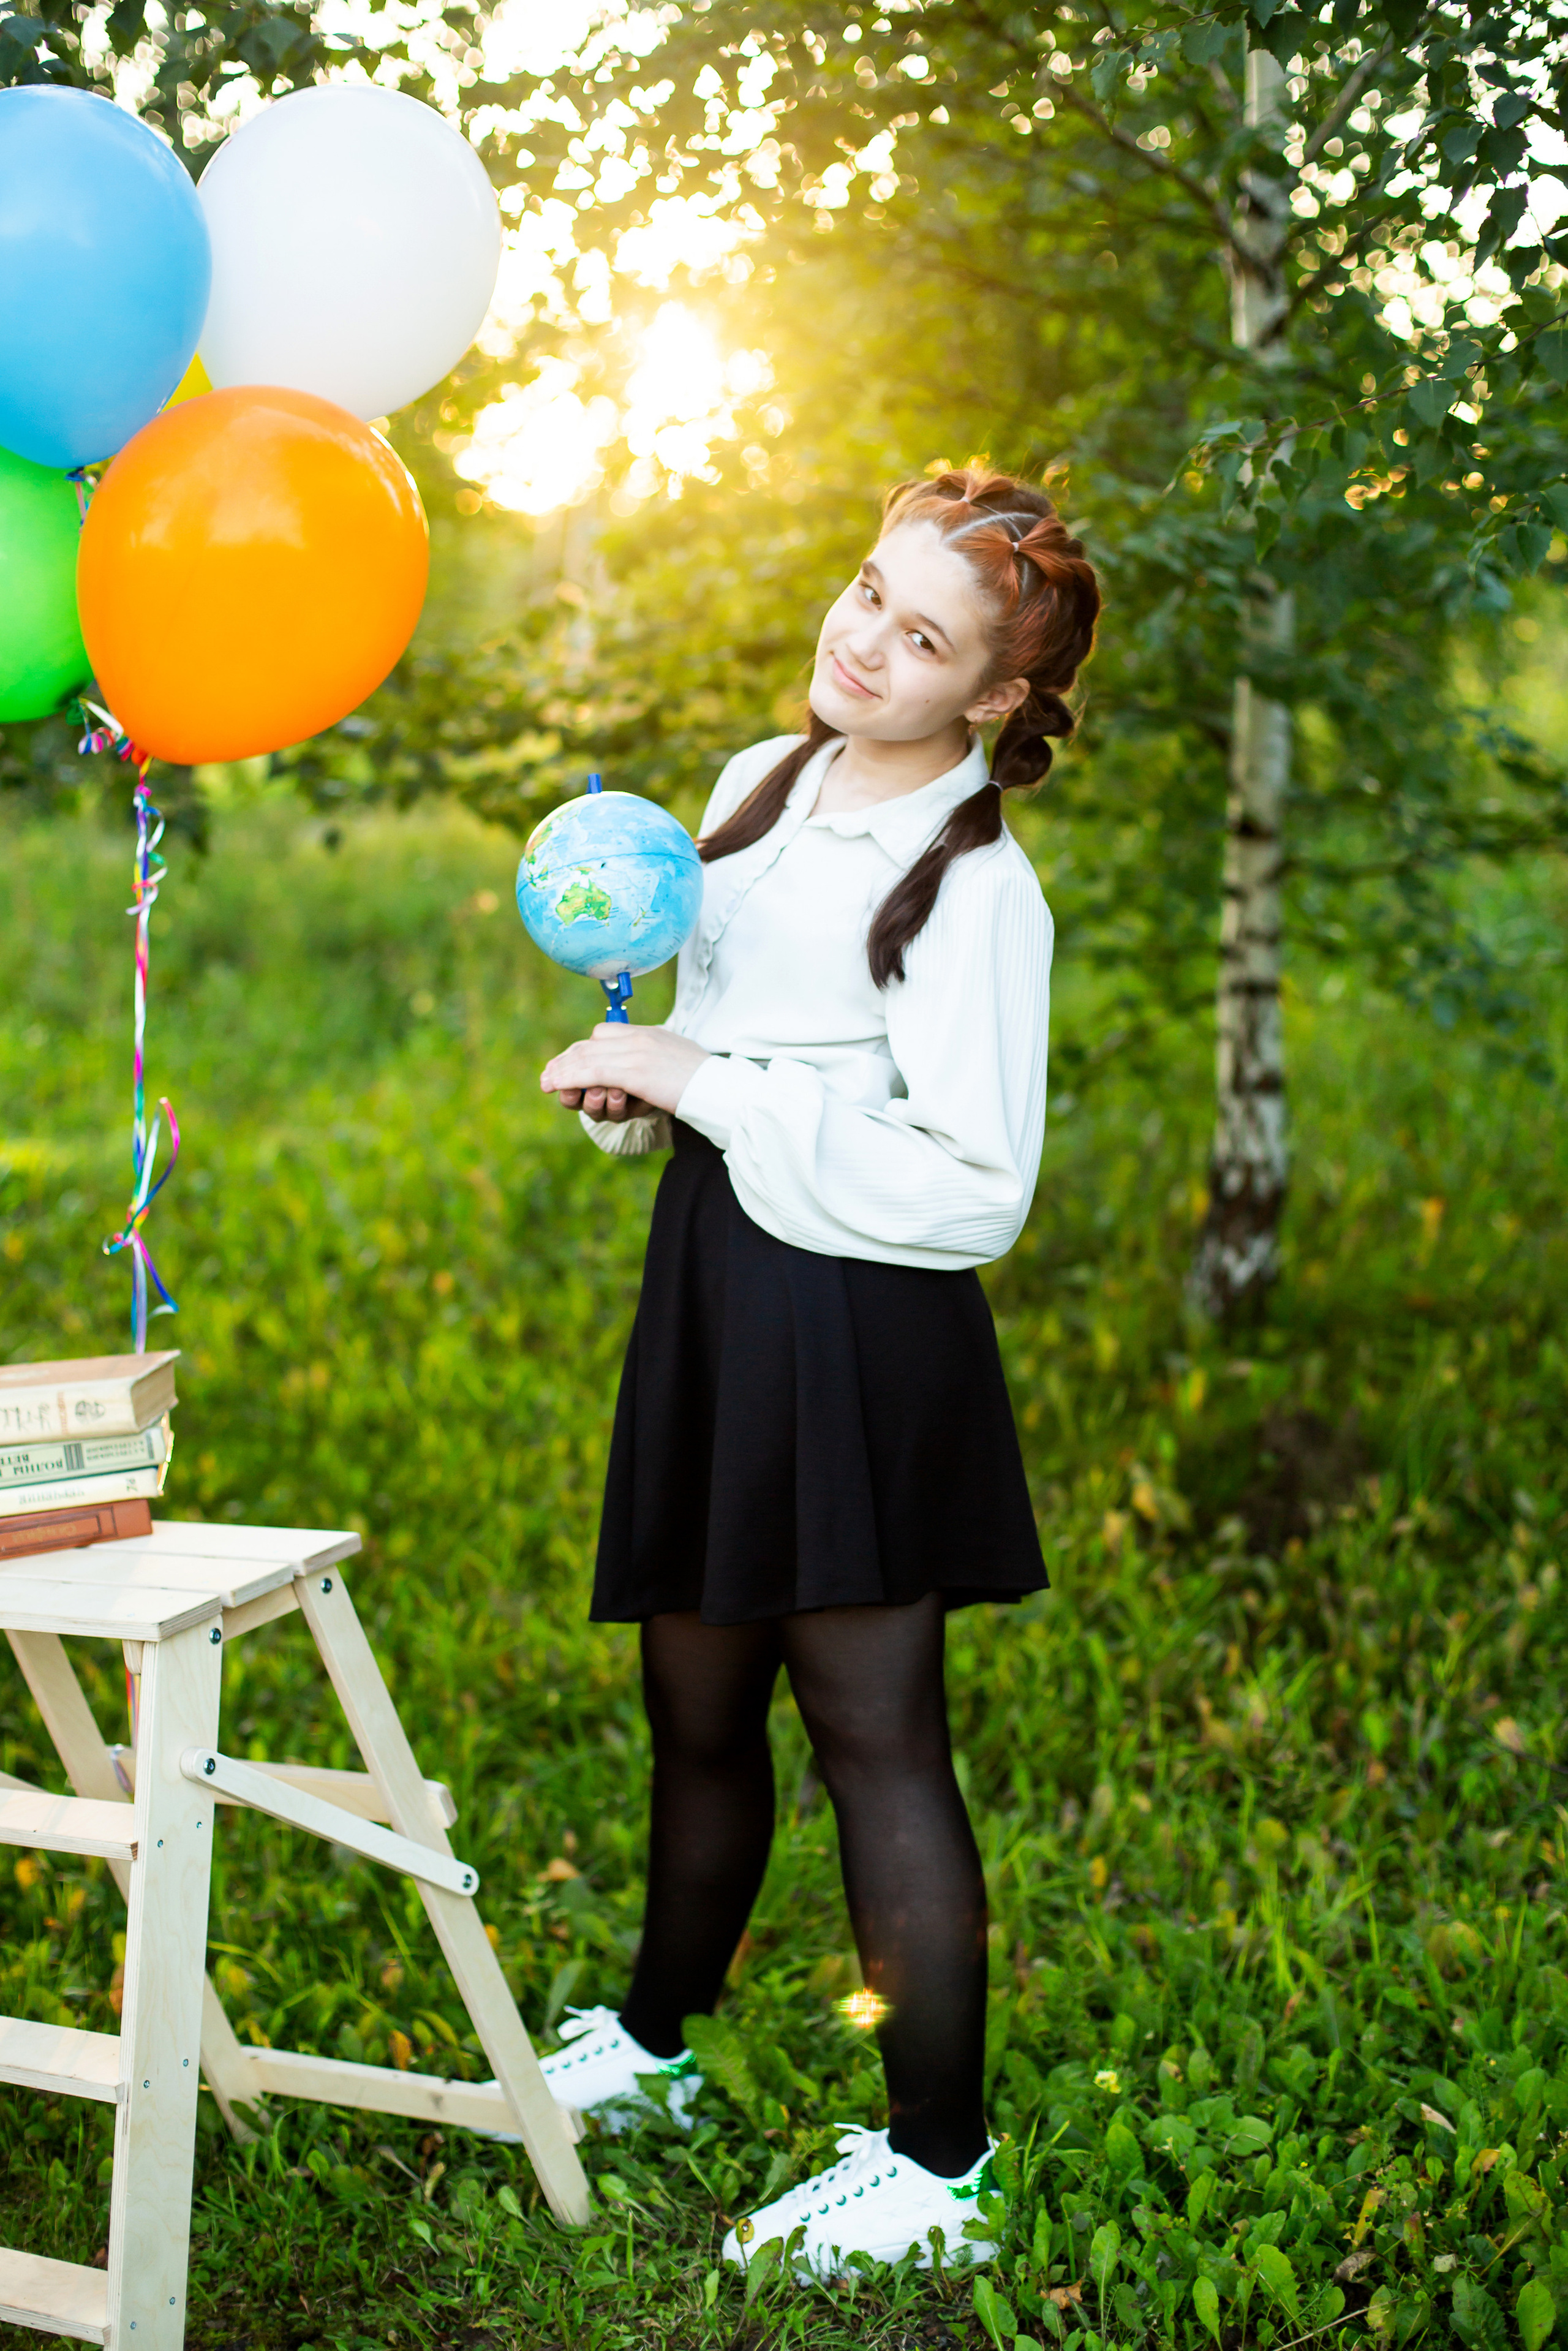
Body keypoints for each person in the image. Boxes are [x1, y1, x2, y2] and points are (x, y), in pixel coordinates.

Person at [534, 465, 1101, 2280]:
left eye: (922, 636)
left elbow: (976, 1186)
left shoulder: (972, 892)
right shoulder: (750, 790)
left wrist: (722, 1090)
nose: (863, 640)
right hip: (717, 1285)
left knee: (873, 1741)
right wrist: (644, 1066)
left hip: (856, 1325)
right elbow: (703, 1033)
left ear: (992, 697)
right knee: (693, 1707)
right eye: (868, 591)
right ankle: (656, 2039)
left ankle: (941, 2165)